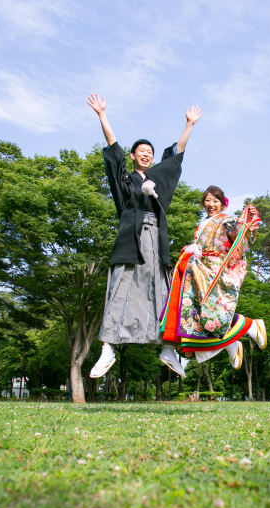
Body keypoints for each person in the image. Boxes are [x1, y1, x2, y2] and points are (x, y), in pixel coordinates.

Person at [86, 93, 202, 379]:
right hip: (130, 241)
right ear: (134, 156)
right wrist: (102, 115)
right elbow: (113, 151)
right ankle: (107, 348)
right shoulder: (126, 180)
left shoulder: (157, 179)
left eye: (149, 151)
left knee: (161, 291)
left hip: (155, 240)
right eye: (141, 151)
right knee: (119, 288)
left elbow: (175, 157)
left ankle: (167, 349)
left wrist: (189, 125)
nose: (146, 153)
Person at [160, 186, 267, 369]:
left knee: (212, 314)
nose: (211, 204)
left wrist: (245, 225)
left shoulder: (227, 220)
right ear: (203, 203)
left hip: (216, 271)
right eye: (208, 200)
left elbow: (239, 237)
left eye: (215, 201)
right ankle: (232, 344)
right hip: (198, 270)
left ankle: (249, 326)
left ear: (222, 204)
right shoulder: (201, 225)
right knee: (194, 317)